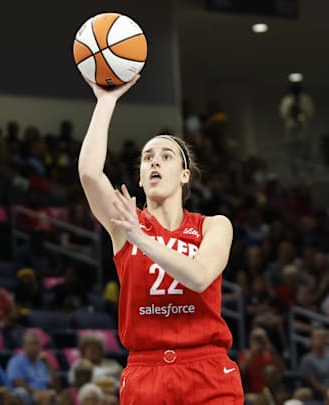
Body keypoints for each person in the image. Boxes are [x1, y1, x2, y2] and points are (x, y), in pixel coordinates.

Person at [77, 76, 243, 404]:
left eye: (166, 156)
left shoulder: (214, 226)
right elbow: (89, 174)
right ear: (140, 177)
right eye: (147, 157)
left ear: (184, 175)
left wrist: (143, 239)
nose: (154, 160)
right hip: (145, 372)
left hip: (207, 369)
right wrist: (105, 102)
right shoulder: (126, 223)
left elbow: (198, 276)